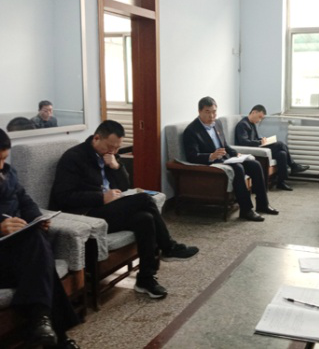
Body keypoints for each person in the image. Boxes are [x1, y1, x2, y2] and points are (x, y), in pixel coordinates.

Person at [50, 120, 198, 300]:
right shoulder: (74, 157)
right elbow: (63, 196)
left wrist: (116, 166)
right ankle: (168, 247)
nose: (113, 151)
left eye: (117, 148)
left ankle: (145, 279)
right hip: (85, 214)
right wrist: (100, 197)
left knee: (145, 218)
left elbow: (124, 185)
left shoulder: (110, 154)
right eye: (110, 146)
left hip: (107, 209)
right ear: (96, 138)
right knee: (145, 199)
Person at [0, 129, 80, 348]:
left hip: (16, 251)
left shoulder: (8, 173)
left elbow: (25, 200)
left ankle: (44, 326)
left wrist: (36, 218)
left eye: (4, 159)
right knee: (41, 260)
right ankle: (52, 331)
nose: (1, 165)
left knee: (35, 243)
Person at [183, 97, 279, 222]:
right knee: (238, 168)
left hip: (226, 159)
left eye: (214, 112)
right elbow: (191, 156)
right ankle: (246, 210)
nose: (212, 116)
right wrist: (211, 156)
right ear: (199, 111)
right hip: (212, 163)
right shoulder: (191, 130)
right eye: (207, 112)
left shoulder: (217, 123)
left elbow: (225, 145)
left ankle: (263, 204)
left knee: (255, 165)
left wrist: (236, 154)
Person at [234, 104, 309, 191]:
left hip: (256, 147)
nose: (260, 120)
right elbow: (243, 142)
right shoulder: (243, 125)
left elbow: (254, 139)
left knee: (282, 154)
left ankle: (281, 182)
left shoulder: (252, 124)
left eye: (261, 118)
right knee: (280, 144)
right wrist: (259, 142)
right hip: (251, 150)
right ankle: (293, 165)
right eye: (259, 117)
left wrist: (262, 139)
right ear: (254, 112)